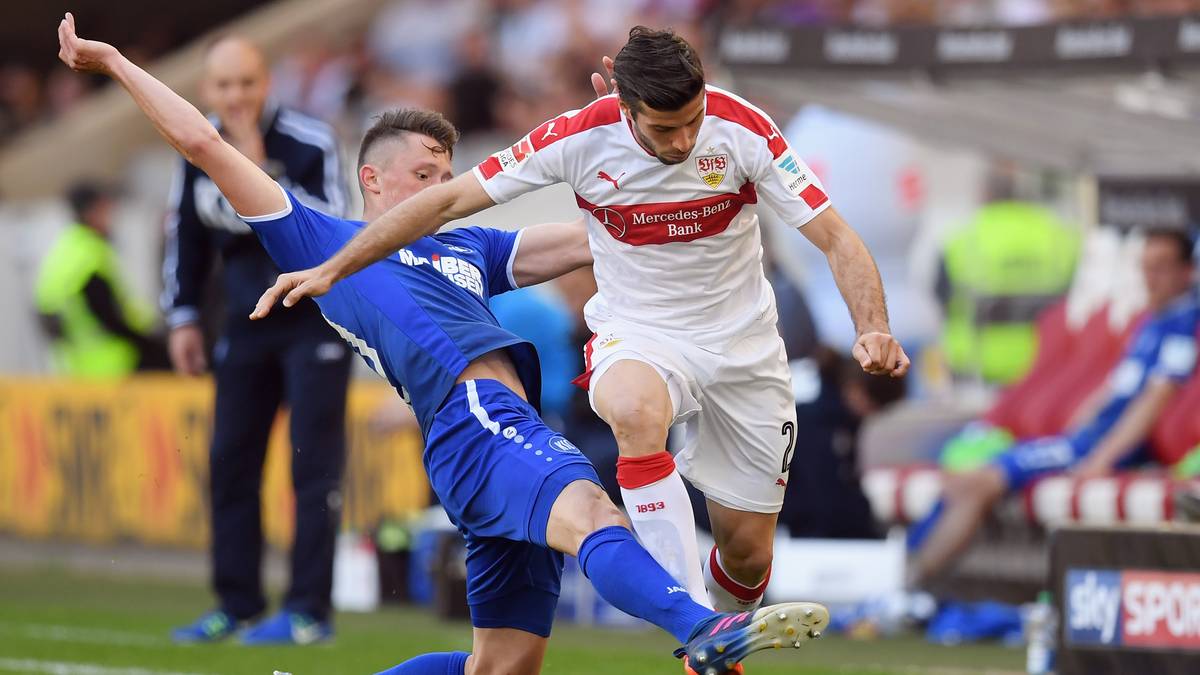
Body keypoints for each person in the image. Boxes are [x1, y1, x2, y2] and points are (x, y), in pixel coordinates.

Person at [57, 14, 829, 675]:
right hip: (477, 418)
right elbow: (202, 141)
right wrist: (118, 63)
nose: (443, 187)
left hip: (478, 441)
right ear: (374, 181)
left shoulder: (466, 249)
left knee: (500, 665)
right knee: (595, 513)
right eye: (426, 174)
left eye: (447, 173)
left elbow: (600, 235)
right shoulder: (322, 239)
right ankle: (703, 628)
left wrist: (625, 154)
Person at [259, 26, 910, 614]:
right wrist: (339, 265)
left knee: (747, 557)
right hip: (640, 330)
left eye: (691, 122)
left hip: (743, 346)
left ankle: (719, 615)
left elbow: (836, 236)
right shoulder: (578, 137)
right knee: (632, 407)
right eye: (663, 129)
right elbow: (448, 200)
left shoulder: (742, 130)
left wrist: (872, 325)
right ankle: (694, 624)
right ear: (626, 110)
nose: (683, 141)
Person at [159, 35, 353, 644]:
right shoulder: (193, 146)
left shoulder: (309, 139)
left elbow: (336, 228)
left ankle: (307, 612)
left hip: (312, 322)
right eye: (223, 86)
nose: (236, 96)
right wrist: (184, 316)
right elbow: (184, 235)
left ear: (266, 82)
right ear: (205, 91)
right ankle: (236, 603)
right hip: (243, 324)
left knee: (312, 469)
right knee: (230, 464)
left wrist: (253, 159)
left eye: (246, 83)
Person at [908, 228, 1199, 587]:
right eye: (1145, 268)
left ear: (1188, 271)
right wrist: (1084, 419)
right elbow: (1119, 386)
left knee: (978, 483)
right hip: (1082, 440)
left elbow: (1156, 399)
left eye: (1161, 268)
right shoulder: (1152, 321)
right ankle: (911, 578)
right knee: (962, 481)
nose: (1150, 279)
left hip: (1097, 449)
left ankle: (911, 584)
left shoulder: (1185, 322)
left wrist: (1102, 458)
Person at [35, 181, 165, 377]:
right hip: (114, 364)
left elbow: (45, 317)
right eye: (106, 209)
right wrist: (154, 346)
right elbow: (110, 318)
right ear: (93, 211)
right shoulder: (90, 256)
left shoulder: (63, 251)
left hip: (73, 367)